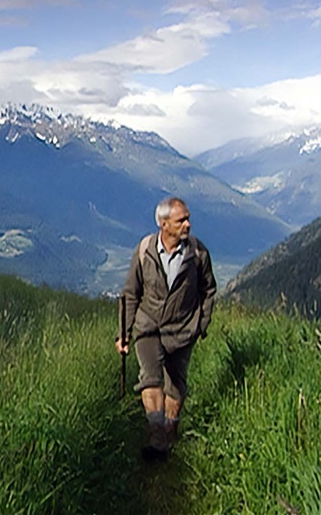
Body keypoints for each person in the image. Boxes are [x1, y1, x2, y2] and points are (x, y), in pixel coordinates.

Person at [116, 196, 217, 460]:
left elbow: (209, 290)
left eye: (187, 218)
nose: (188, 224)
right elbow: (131, 293)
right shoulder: (145, 250)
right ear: (163, 224)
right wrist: (124, 334)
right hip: (148, 327)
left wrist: (201, 325)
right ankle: (157, 437)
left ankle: (170, 430)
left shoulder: (197, 253)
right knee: (150, 379)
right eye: (181, 220)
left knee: (175, 385)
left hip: (183, 330)